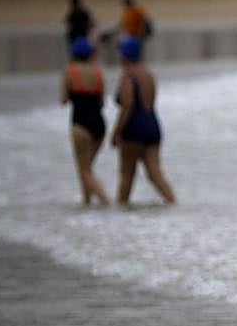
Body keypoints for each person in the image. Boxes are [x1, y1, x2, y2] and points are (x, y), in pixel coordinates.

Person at [111, 37, 175, 206]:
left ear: (125, 55)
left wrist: (117, 131)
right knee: (155, 174)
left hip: (133, 127)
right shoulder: (148, 75)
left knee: (127, 176)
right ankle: (173, 203)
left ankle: (120, 213)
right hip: (152, 125)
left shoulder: (127, 76)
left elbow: (127, 106)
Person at [61, 37, 110, 206]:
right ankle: (86, 202)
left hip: (80, 124)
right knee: (87, 168)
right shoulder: (97, 73)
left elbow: (63, 100)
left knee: (84, 171)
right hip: (100, 125)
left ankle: (105, 202)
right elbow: (102, 102)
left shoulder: (70, 72)